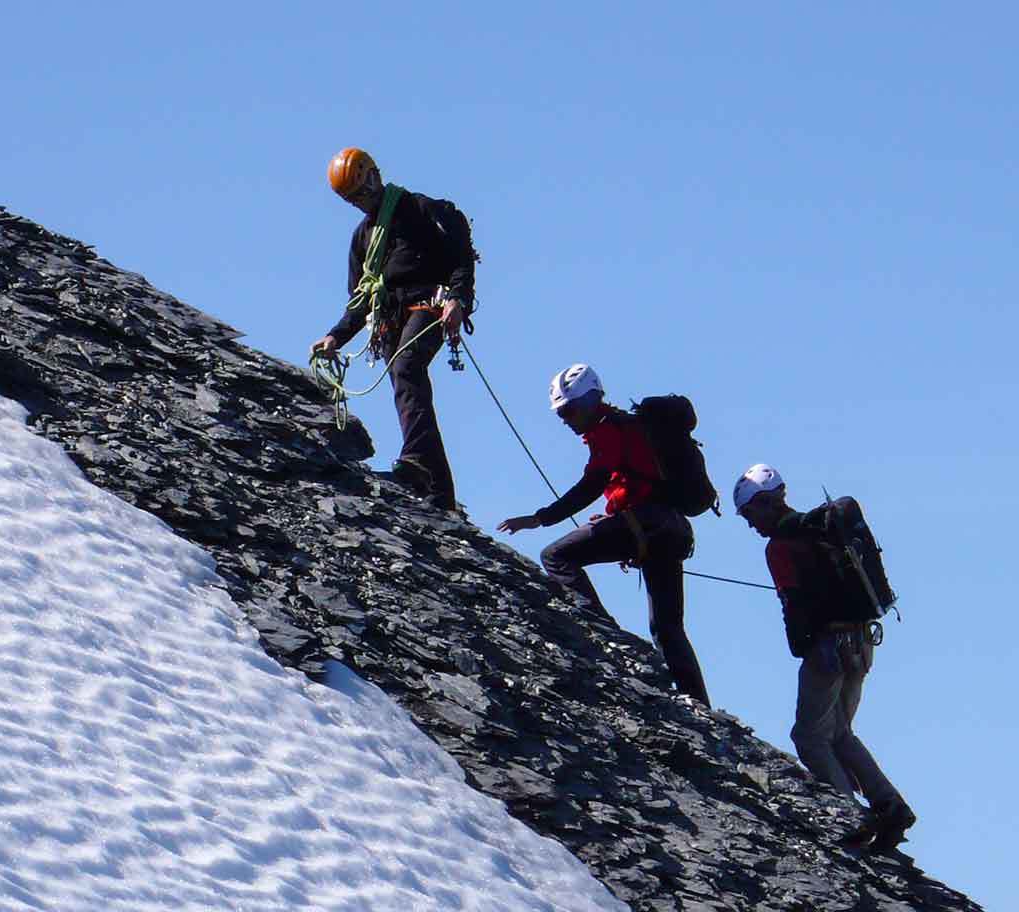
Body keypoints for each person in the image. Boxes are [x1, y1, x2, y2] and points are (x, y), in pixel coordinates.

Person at [498, 364, 709, 706]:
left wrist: (540, 518)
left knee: (556, 556)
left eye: (567, 410)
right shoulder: (631, 426)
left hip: (645, 523)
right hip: (670, 528)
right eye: (561, 413)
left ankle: (602, 633)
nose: (565, 419)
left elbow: (593, 484)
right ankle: (698, 703)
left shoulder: (608, 429)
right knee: (668, 627)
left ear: (590, 401)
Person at [732, 463, 916, 852]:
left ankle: (850, 815)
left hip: (827, 647)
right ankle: (890, 805)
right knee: (839, 732)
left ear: (766, 503)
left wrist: (800, 645)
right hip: (863, 640)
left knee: (809, 737)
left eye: (750, 514)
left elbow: (793, 602)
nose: (751, 524)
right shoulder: (823, 530)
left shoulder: (780, 545)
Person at [310, 147, 477, 510]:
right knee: (408, 390)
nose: (360, 201)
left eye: (362, 192)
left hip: (428, 304)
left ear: (374, 175)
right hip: (388, 318)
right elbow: (360, 298)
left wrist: (457, 300)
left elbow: (460, 250)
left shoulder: (418, 210)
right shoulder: (363, 237)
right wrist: (336, 335)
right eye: (352, 198)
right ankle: (440, 493)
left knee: (407, 369)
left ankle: (416, 461)